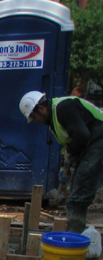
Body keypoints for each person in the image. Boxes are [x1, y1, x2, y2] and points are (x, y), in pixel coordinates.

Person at [20, 90, 103, 233]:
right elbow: (75, 139)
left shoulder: (64, 108)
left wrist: (71, 151)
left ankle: (73, 236)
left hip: (99, 141)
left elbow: (82, 136)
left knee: (79, 194)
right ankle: (73, 230)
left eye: (34, 117)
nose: (36, 121)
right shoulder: (54, 117)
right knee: (78, 188)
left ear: (41, 108)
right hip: (93, 144)